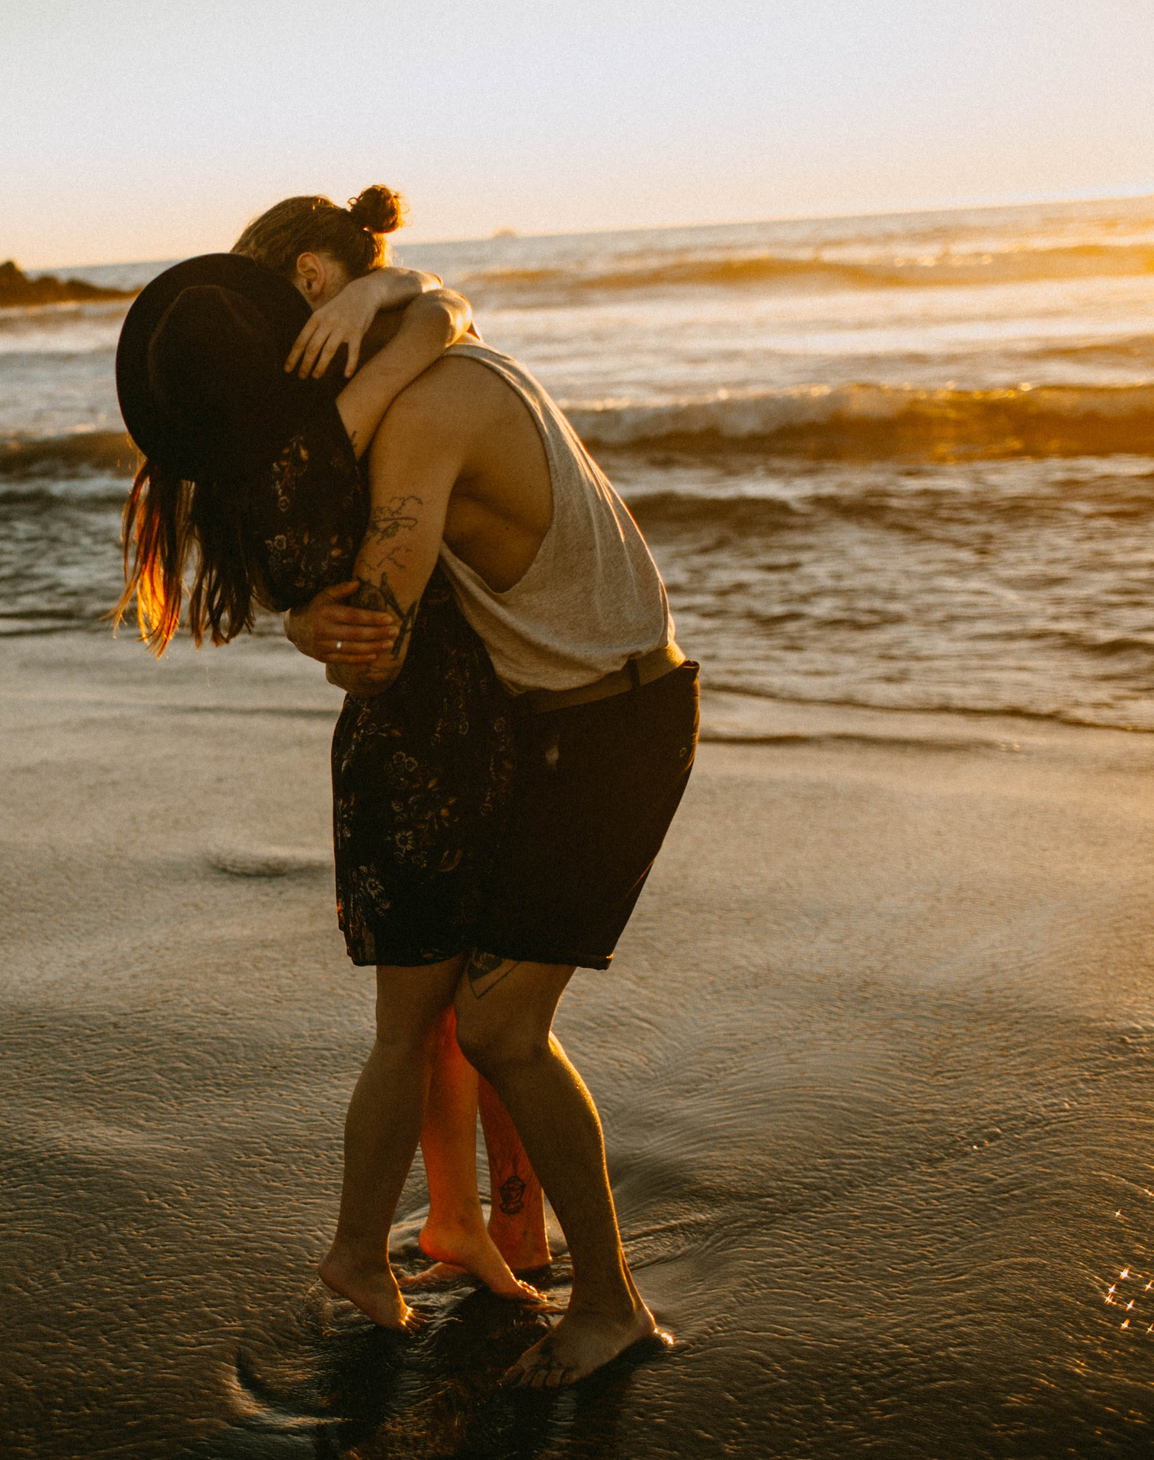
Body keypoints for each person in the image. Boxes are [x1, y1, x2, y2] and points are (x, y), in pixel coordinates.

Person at [114, 189, 548, 1332]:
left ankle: (475, 1218)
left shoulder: (248, 440)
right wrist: (400, 300)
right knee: (462, 1013)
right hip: (434, 732)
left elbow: (290, 567)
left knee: (459, 1011)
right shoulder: (310, 422)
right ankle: (393, 1242)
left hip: (409, 733)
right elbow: (431, 336)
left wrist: (383, 290)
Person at [292, 271, 698, 1387]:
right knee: (485, 1022)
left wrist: (308, 616)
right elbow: (433, 297)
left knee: (500, 1026)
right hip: (576, 720)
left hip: (608, 726)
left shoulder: (428, 410)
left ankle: (611, 1304)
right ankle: (503, 1240)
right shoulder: (454, 360)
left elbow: (370, 645)